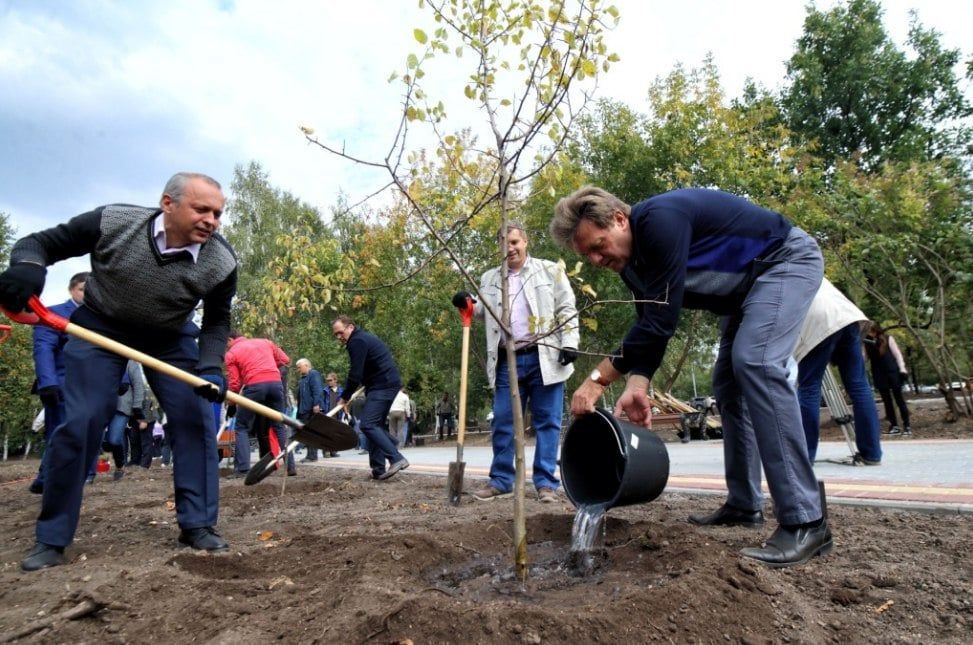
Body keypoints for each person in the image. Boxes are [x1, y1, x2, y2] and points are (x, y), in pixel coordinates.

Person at [551, 186, 830, 568]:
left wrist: (597, 379)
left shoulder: (659, 220)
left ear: (619, 219)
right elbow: (649, 322)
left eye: (599, 246)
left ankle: (805, 521)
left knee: (758, 363)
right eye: (588, 256)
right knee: (729, 387)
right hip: (747, 292)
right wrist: (637, 384)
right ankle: (745, 504)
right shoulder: (633, 265)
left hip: (783, 261)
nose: (598, 259)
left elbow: (662, 321)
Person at [0, 171, 237, 571]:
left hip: (170, 334)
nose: (211, 220)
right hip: (100, 325)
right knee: (82, 420)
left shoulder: (221, 260)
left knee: (194, 420)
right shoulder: (114, 222)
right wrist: (27, 266)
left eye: (216, 213)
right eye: (201, 209)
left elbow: (217, 321)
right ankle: (52, 538)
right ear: (168, 204)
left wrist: (211, 366)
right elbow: (38, 243)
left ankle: (197, 525)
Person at [452, 220, 579, 503]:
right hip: (506, 360)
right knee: (503, 422)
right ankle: (501, 480)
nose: (509, 249)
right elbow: (484, 310)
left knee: (548, 423)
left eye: (514, 242)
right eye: (503, 243)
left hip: (544, 356)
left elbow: (566, 307)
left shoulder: (550, 270)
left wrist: (570, 342)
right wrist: (468, 301)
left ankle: (545, 484)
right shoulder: (489, 278)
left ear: (525, 243)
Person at [793, 279, 882, 465]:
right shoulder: (807, 260)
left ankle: (804, 457)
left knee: (809, 387)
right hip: (847, 317)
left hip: (816, 322)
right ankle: (872, 453)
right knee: (859, 385)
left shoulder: (772, 270)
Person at [28, 271, 88, 494]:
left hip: (93, 387)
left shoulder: (100, 317)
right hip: (61, 385)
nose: (87, 294)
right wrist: (47, 383)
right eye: (83, 289)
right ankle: (51, 481)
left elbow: (111, 348)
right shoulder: (53, 314)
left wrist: (121, 379)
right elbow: (43, 348)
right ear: (72, 289)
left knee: (84, 435)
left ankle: (49, 478)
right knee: (60, 432)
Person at [331, 315, 409, 480]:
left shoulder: (356, 341)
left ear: (350, 327)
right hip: (382, 384)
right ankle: (378, 469)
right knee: (376, 426)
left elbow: (355, 374)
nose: (339, 337)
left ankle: (396, 458)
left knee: (367, 424)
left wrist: (344, 397)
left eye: (340, 332)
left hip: (383, 385)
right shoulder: (361, 339)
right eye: (335, 335)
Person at [224, 332, 294, 476]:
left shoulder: (231, 353)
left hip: (255, 386)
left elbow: (235, 384)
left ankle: (243, 469)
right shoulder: (265, 342)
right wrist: (267, 368)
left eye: (227, 344)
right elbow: (285, 359)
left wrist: (231, 404)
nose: (226, 347)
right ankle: (291, 466)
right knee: (278, 424)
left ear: (231, 340)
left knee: (241, 426)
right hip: (276, 384)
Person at [863, 323, 911, 435]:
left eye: (872, 330)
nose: (870, 333)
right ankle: (894, 425)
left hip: (892, 372)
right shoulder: (866, 343)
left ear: (877, 330)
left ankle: (907, 426)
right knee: (887, 401)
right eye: (868, 331)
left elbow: (898, 355)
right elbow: (864, 358)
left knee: (899, 400)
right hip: (879, 374)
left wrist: (902, 369)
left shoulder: (888, 339)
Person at [102, 360, 146, 481]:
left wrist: (137, 406)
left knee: (114, 439)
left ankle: (120, 465)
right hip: (101, 405)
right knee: (98, 439)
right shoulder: (100, 357)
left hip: (121, 407)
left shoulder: (130, 363)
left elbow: (138, 385)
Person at [295, 358, 325, 460]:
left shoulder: (313, 374)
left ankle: (312, 456)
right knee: (306, 433)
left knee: (311, 433)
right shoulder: (303, 378)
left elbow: (317, 389)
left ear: (306, 365)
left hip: (311, 409)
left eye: (299, 367)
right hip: (304, 410)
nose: (298, 370)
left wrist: (316, 404)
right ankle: (309, 455)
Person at [321, 371, 345, 457]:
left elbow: (345, 402)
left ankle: (333, 451)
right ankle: (326, 451)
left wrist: (346, 413)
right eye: (327, 380)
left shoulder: (341, 391)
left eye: (330, 380)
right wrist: (322, 411)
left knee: (335, 434)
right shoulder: (325, 390)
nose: (329, 382)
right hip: (327, 414)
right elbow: (322, 402)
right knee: (326, 433)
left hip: (337, 415)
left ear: (335, 380)